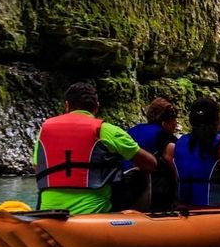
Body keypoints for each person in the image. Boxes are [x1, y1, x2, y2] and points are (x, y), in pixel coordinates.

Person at [34, 81, 157, 215]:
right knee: (141, 173)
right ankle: (139, 223)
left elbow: (37, 167)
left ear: (67, 106)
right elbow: (150, 164)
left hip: (48, 212)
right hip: (96, 212)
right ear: (96, 107)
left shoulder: (43, 132)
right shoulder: (106, 130)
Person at [126, 97, 180, 211]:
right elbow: (176, 168)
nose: (176, 124)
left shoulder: (132, 130)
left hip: (122, 187)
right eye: (174, 120)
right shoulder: (164, 136)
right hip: (150, 195)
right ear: (165, 123)